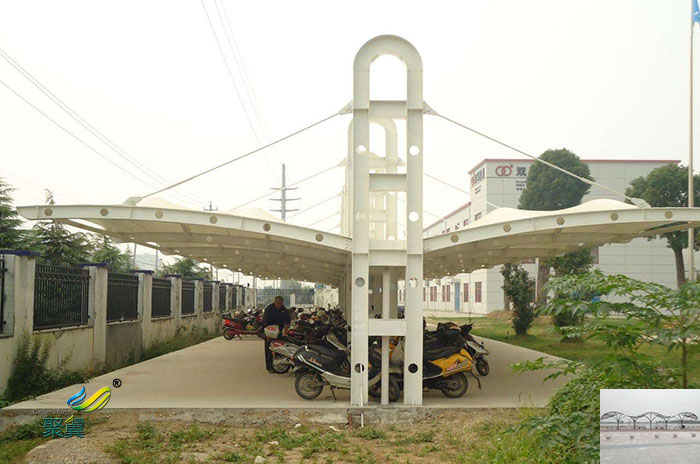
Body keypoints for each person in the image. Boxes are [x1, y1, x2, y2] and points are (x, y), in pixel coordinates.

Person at [262, 296, 291, 373]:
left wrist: (286, 328)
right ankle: (270, 367)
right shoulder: (269, 309)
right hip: (270, 331)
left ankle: (279, 365)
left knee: (279, 348)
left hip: (279, 332)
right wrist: (267, 334)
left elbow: (287, 319)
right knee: (269, 350)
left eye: (280, 304)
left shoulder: (283, 309)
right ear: (275, 302)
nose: (279, 305)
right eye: (278, 303)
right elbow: (265, 322)